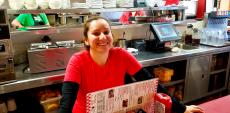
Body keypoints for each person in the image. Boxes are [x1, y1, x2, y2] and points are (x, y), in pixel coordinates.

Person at [59, 16, 204, 113]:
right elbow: (67, 100)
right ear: (86, 40)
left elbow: (151, 84)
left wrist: (181, 108)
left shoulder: (121, 55)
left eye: (106, 32)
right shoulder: (77, 61)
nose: (102, 37)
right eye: (96, 33)